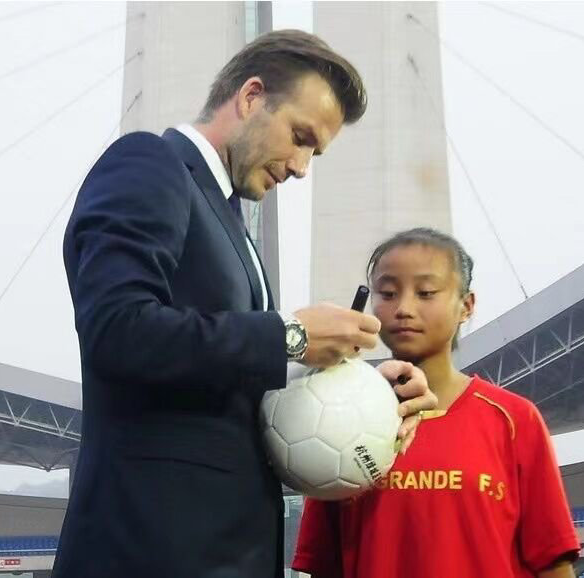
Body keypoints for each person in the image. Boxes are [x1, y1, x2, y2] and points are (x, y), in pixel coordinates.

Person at [52, 31, 437, 578]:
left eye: (315, 153)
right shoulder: (150, 163)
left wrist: (365, 392)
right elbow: (117, 330)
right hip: (150, 552)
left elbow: (222, 384)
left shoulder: (230, 220)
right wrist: (291, 335)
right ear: (252, 96)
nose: (302, 167)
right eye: (300, 138)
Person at [293, 228, 580, 578]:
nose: (403, 309)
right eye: (388, 293)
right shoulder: (333, 425)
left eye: (426, 292)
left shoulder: (515, 419)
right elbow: (324, 565)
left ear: (466, 306)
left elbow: (553, 563)